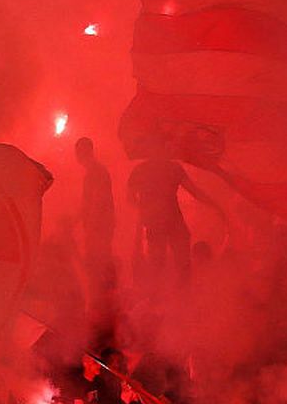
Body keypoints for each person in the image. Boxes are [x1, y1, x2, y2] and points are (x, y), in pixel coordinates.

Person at [128, 140, 221, 283]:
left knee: (162, 263)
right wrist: (216, 205)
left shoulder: (145, 170)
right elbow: (194, 191)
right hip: (167, 222)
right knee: (172, 263)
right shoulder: (167, 168)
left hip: (163, 222)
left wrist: (145, 212)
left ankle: (167, 296)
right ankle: (170, 295)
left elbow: (130, 199)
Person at [75, 138, 116, 330]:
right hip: (97, 229)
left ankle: (100, 310)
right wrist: (74, 222)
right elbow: (87, 205)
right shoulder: (93, 173)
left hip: (99, 229)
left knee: (97, 268)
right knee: (94, 268)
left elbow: (97, 202)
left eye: (79, 151)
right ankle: (98, 308)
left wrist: (90, 227)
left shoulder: (97, 172)